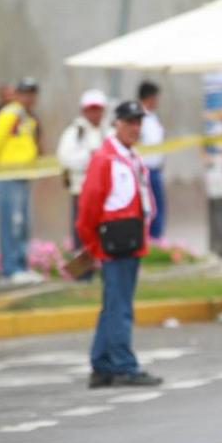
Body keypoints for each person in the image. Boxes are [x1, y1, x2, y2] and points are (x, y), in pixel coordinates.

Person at [76, 101, 163, 389]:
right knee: (120, 307)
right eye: (129, 122)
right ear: (117, 123)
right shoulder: (106, 158)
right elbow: (88, 206)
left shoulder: (128, 155)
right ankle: (124, 366)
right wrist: (92, 244)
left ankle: (101, 365)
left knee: (113, 305)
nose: (134, 128)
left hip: (128, 239)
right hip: (114, 242)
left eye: (138, 122)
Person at [0, 77, 43, 284]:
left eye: (32, 93)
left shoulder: (26, 117)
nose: (29, 98)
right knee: (11, 222)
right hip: (8, 174)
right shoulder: (10, 114)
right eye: (25, 93)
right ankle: (10, 268)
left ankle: (21, 265)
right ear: (17, 94)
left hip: (22, 175)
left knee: (23, 223)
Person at [57, 89, 108, 255]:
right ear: (84, 111)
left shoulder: (108, 131)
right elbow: (65, 158)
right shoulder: (75, 132)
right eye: (91, 109)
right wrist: (92, 158)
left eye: (97, 109)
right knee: (82, 231)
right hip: (81, 190)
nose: (94, 113)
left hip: (104, 192)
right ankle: (82, 272)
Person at [138, 81, 167, 240]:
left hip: (156, 169)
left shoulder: (153, 117)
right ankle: (150, 240)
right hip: (145, 170)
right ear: (149, 97)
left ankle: (157, 240)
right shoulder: (139, 118)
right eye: (156, 97)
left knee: (158, 208)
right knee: (150, 209)